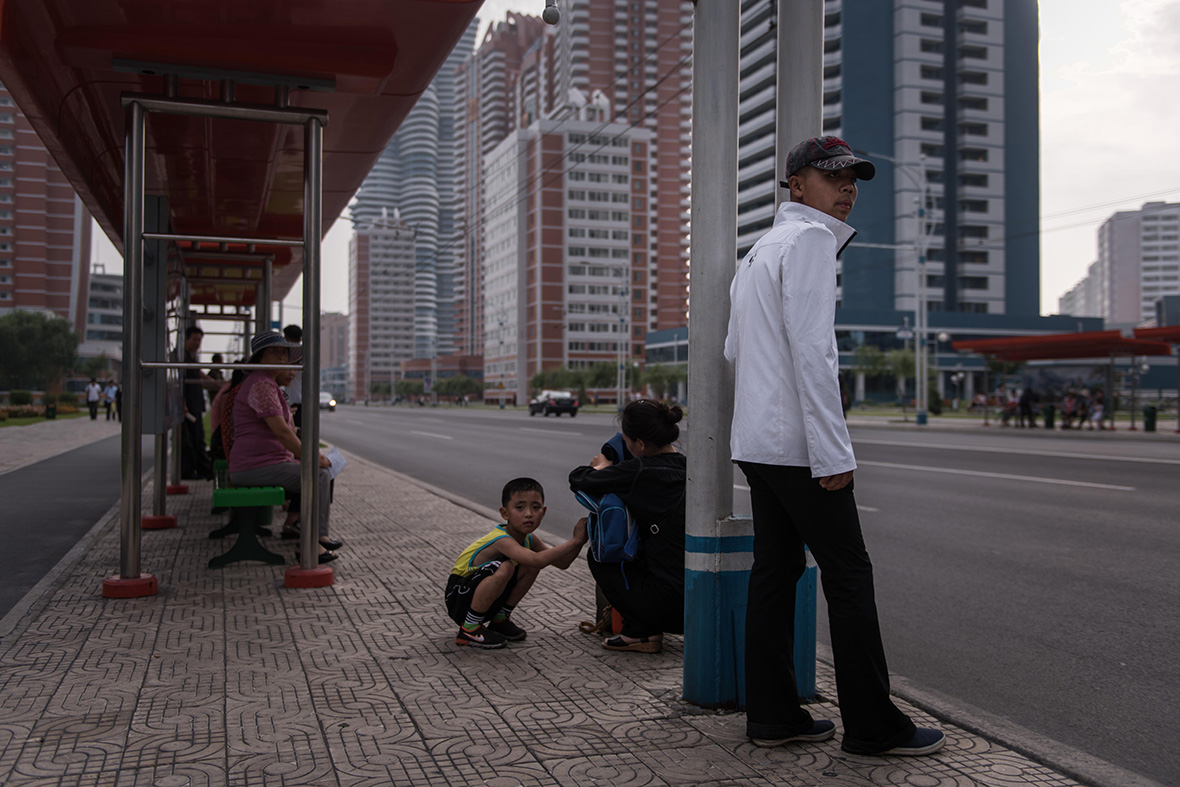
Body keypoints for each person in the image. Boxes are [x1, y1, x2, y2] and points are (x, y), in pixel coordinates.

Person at [724, 136, 943, 756]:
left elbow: (734, 350)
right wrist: (833, 453)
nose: (847, 188)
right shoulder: (812, 241)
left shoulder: (758, 250)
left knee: (775, 572)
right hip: (798, 446)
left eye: (853, 179)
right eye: (833, 176)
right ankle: (873, 726)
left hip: (757, 442)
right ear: (796, 184)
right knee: (848, 576)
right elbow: (815, 353)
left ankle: (773, 715)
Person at [568, 399, 686, 653]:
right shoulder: (690, 467)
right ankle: (645, 628)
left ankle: (640, 632)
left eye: (626, 440)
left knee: (598, 556)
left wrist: (601, 468)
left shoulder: (638, 471)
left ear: (640, 444)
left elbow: (578, 480)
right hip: (700, 604)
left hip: (669, 608)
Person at [229, 331, 341, 563]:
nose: (282, 358)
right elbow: (281, 432)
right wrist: (312, 458)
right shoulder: (261, 384)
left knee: (319, 473)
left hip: (262, 462)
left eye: (284, 353)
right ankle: (310, 542)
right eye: (274, 352)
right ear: (260, 358)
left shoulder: (266, 384)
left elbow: (283, 430)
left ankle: (315, 536)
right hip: (253, 466)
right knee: (318, 475)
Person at [445, 478, 588, 649]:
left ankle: (499, 620)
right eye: (520, 508)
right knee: (506, 566)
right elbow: (538, 560)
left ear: (543, 512)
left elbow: (563, 563)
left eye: (535, 508)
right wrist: (573, 541)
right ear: (505, 513)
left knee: (528, 565)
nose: (528, 514)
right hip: (458, 596)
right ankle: (469, 629)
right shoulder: (502, 539)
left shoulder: (530, 539)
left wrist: (580, 542)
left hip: (481, 597)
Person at [179, 326, 216, 479]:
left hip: (196, 404)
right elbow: (178, 383)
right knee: (190, 439)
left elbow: (200, 373)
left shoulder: (192, 357)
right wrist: (182, 403)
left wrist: (217, 383)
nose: (197, 343)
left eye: (199, 340)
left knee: (198, 437)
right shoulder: (181, 358)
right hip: (188, 406)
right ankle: (189, 470)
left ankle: (202, 468)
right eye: (194, 339)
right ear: (186, 339)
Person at [282, 324, 304, 431]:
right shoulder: (307, 353)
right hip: (304, 401)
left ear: (286, 337)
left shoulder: (286, 353)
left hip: (291, 401)